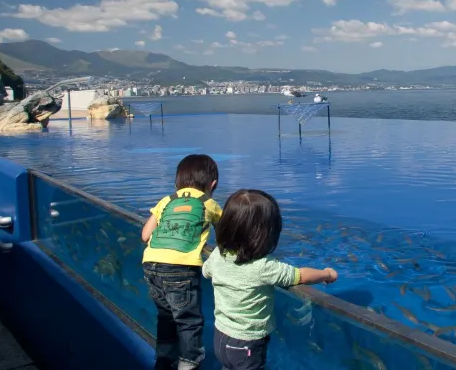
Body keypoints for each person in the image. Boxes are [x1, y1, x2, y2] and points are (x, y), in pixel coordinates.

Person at [203, 189, 338, 370]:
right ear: (266, 234)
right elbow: (300, 275)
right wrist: (326, 274)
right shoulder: (263, 267)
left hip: (220, 336)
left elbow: (206, 272)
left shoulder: (218, 255)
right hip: (247, 345)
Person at [141, 154, 223, 370]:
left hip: (151, 266)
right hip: (180, 269)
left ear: (177, 182)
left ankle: (164, 361)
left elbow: (145, 235)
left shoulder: (166, 200)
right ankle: (188, 365)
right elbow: (226, 237)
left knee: (166, 317)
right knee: (188, 322)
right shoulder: (210, 203)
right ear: (213, 184)